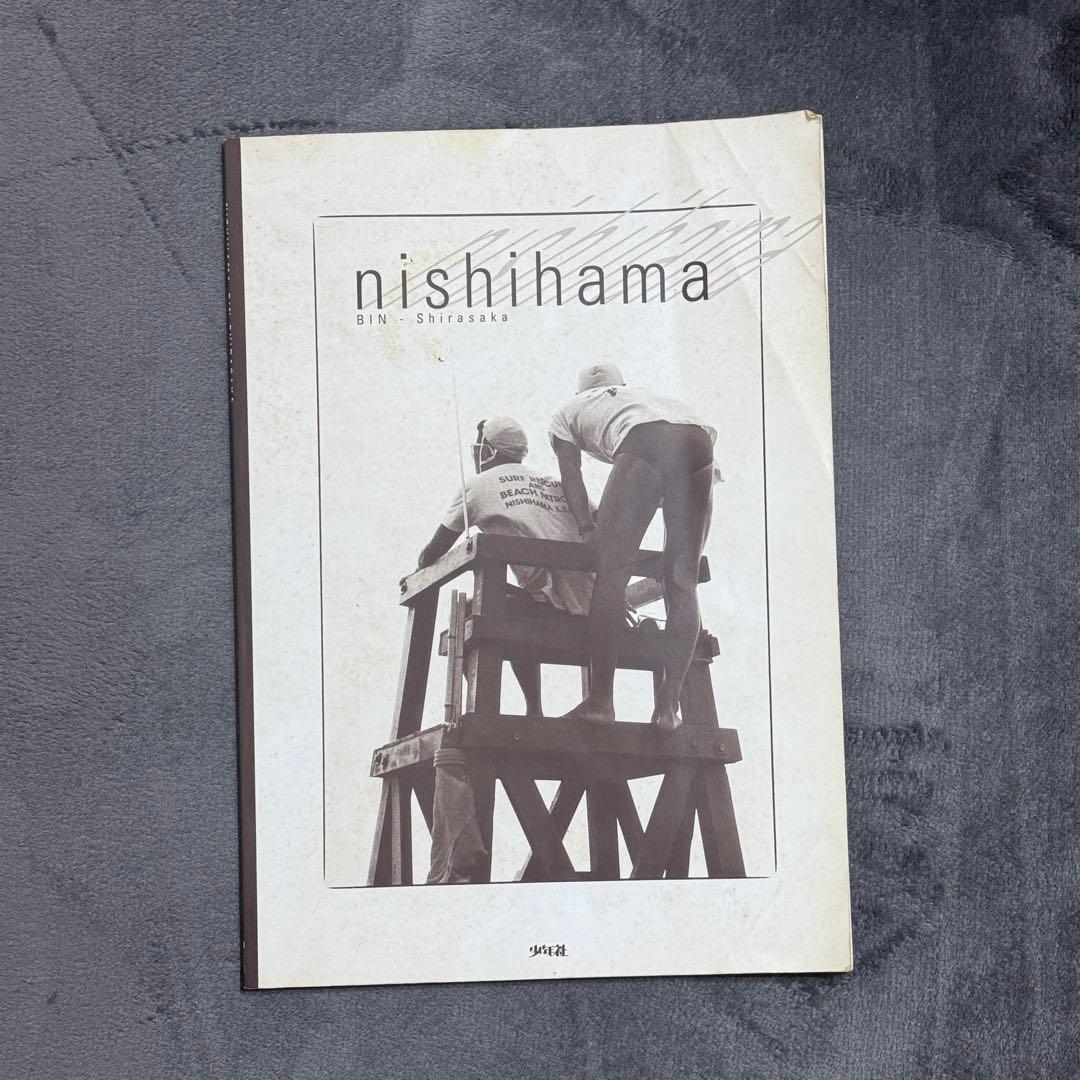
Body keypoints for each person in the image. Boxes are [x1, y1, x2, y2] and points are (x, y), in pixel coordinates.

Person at [549, 363, 716, 731]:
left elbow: (571, 475)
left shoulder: (567, 412)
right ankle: (668, 709)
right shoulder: (645, 397)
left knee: (611, 574)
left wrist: (587, 528)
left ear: (580, 393)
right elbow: (675, 482)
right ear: (621, 385)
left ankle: (601, 702)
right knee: (683, 579)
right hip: (698, 439)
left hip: (644, 441)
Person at [415, 415, 594, 717]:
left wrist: (419, 568)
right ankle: (533, 710)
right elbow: (602, 521)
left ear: (488, 451)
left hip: (552, 611)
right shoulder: (556, 483)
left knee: (480, 607)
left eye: (477, 447)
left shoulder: (477, 486)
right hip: (596, 609)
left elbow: (433, 552)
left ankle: (493, 710)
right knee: (508, 603)